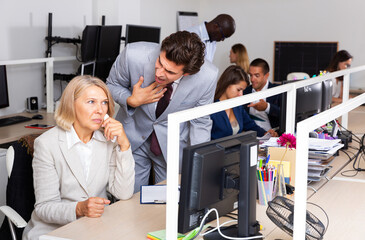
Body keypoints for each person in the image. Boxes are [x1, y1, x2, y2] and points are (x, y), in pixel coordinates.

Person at [22, 76, 135, 240]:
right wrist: (78, 209)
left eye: (104, 102)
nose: (100, 110)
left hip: (95, 227)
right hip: (55, 231)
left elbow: (123, 193)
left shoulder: (108, 140)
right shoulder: (47, 144)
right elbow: (44, 207)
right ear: (71, 105)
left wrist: (124, 145)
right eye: (91, 102)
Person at [106, 31, 218, 193]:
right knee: (128, 199)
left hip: (171, 146)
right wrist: (131, 100)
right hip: (133, 138)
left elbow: (200, 121)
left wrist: (199, 164)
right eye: (160, 62)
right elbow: (110, 85)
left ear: (186, 73)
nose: (159, 73)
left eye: (170, 72)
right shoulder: (133, 54)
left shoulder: (207, 76)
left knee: (167, 205)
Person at [211, 65, 277, 140]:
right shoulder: (212, 108)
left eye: (242, 90)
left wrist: (266, 134)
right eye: (238, 90)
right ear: (227, 84)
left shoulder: (237, 107)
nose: (241, 94)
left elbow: (251, 126)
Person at [243, 58, 281, 131]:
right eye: (251, 75)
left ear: (266, 75)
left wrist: (267, 107)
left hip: (274, 136)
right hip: (253, 137)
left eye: (257, 75)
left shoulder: (278, 91)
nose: (252, 79)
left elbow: (286, 115)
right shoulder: (245, 92)